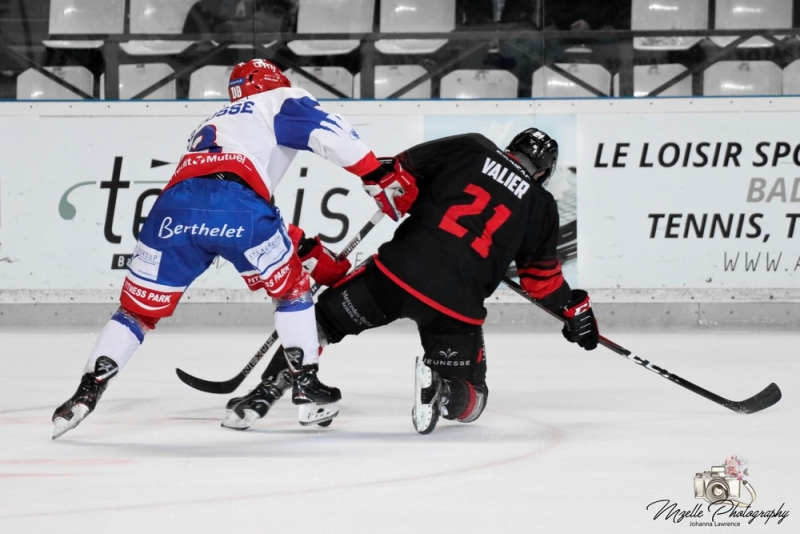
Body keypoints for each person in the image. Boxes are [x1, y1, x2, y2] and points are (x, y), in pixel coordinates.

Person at [51, 58, 416, 439]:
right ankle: (306, 387)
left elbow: (220, 201)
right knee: (293, 294)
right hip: (239, 207)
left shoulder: (217, 121)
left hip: (171, 209)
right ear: (275, 82)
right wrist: (376, 174)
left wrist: (305, 250)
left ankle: (84, 394)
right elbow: (329, 133)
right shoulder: (278, 99)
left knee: (135, 313)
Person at [222, 127, 600, 434]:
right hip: (456, 306)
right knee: (473, 402)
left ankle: (264, 393)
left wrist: (402, 200)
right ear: (543, 172)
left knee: (318, 322)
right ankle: (442, 388)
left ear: (510, 147)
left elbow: (396, 175)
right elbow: (542, 282)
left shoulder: (471, 146)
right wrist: (574, 310)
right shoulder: (542, 205)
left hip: (395, 274)